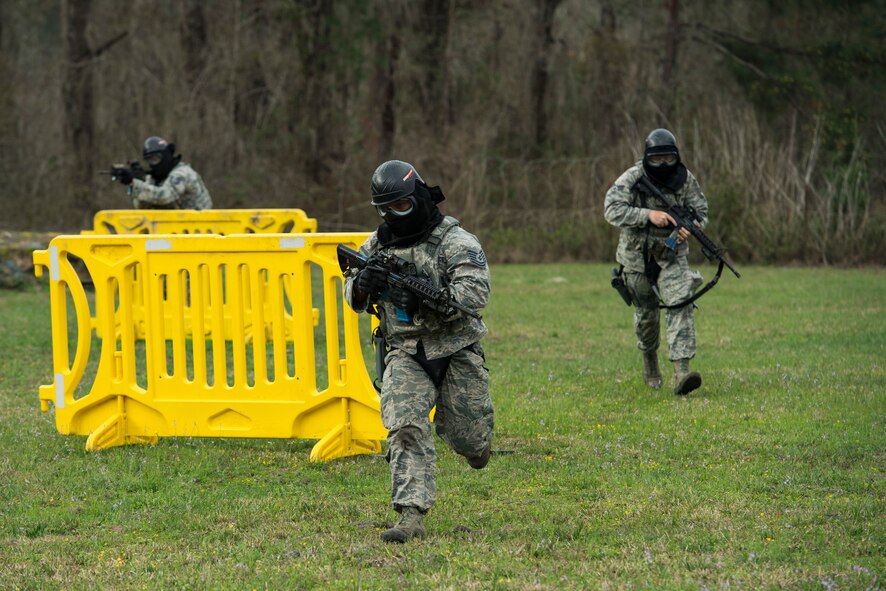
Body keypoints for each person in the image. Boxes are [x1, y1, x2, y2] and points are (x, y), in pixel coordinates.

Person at [343, 160, 494, 543]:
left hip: (456, 350)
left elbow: (476, 295)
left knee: (471, 441)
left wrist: (429, 298)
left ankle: (471, 443)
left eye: (402, 207)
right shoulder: (376, 246)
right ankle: (411, 517)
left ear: (419, 198)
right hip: (405, 352)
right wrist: (363, 283)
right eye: (386, 209)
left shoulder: (455, 241)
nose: (395, 216)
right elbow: (352, 296)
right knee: (405, 427)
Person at [604, 128, 707, 395]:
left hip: (672, 257)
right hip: (637, 259)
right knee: (647, 316)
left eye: (668, 159)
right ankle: (650, 361)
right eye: (657, 159)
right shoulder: (633, 177)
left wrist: (690, 228)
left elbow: (702, 212)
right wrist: (648, 215)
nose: (663, 165)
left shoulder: (685, 180)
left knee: (680, 304)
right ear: (648, 157)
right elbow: (611, 209)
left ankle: (682, 372)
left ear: (676, 157)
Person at [114, 136, 213, 210]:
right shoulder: (154, 178)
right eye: (149, 160)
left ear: (166, 156)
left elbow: (165, 196)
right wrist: (136, 182)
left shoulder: (183, 173)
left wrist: (136, 183)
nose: (153, 164)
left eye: (155, 159)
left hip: (201, 228)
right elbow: (142, 207)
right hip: (175, 229)